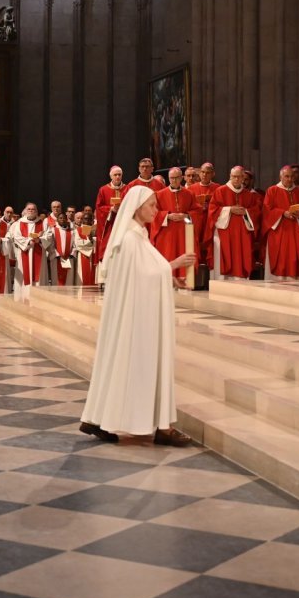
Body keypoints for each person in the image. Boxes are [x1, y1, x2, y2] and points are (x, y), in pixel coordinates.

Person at [79, 185, 195, 446]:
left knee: (119, 364)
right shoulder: (130, 239)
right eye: (152, 205)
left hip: (134, 313)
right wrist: (174, 266)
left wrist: (169, 277)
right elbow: (146, 275)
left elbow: (147, 272)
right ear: (137, 207)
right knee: (135, 364)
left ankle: (98, 417)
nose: (156, 210)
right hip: (136, 318)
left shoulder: (136, 235)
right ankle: (160, 428)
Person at [206, 166, 258, 280]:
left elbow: (255, 211)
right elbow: (212, 210)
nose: (236, 179)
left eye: (239, 177)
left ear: (243, 178)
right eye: (234, 176)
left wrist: (246, 211)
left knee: (240, 257)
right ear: (230, 176)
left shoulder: (248, 194)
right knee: (223, 258)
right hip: (223, 232)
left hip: (242, 234)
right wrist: (229, 209)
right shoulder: (220, 191)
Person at [153, 167, 202, 283]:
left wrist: (186, 216)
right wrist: (167, 216)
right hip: (166, 234)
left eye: (176, 178)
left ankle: (185, 280)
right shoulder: (159, 194)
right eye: (171, 178)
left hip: (184, 232)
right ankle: (166, 281)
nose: (174, 180)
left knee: (183, 253)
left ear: (181, 178)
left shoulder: (189, 194)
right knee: (168, 255)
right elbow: (153, 213)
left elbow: (197, 211)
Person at [262, 165, 299, 280]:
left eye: (292, 176)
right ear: (281, 176)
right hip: (279, 231)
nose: (289, 179)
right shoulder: (272, 190)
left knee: (294, 257)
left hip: (295, 231)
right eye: (286, 176)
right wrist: (282, 213)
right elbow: (267, 210)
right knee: (280, 257)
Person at [9, 202, 54, 298]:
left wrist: (40, 240)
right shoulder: (19, 223)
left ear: (36, 211)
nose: (30, 211)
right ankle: (23, 296)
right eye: (29, 209)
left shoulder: (43, 223)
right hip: (25, 253)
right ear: (25, 211)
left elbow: (49, 236)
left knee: (39, 276)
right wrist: (29, 241)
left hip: (39, 253)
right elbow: (16, 236)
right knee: (24, 275)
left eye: (33, 209)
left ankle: (39, 297)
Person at [93, 165, 125, 265]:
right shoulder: (103, 190)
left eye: (119, 175)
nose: (117, 177)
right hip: (109, 225)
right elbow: (99, 207)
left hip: (123, 224)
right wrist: (111, 209)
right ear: (111, 176)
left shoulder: (127, 188)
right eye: (115, 175)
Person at [71, 210, 97, 285]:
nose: (87, 221)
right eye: (85, 219)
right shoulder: (78, 230)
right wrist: (91, 241)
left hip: (94, 257)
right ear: (82, 220)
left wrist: (93, 239)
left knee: (93, 278)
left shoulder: (96, 230)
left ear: (92, 220)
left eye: (89, 219)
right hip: (83, 256)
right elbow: (78, 244)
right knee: (82, 280)